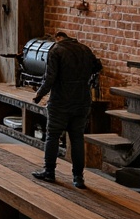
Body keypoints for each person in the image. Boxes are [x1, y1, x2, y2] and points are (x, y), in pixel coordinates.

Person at [32, 32, 103, 189]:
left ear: (58, 38)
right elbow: (98, 66)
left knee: (53, 136)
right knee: (77, 137)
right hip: (82, 100)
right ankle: (78, 178)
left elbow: (49, 78)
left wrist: (39, 95)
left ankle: (49, 172)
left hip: (60, 101)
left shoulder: (56, 50)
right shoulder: (85, 49)